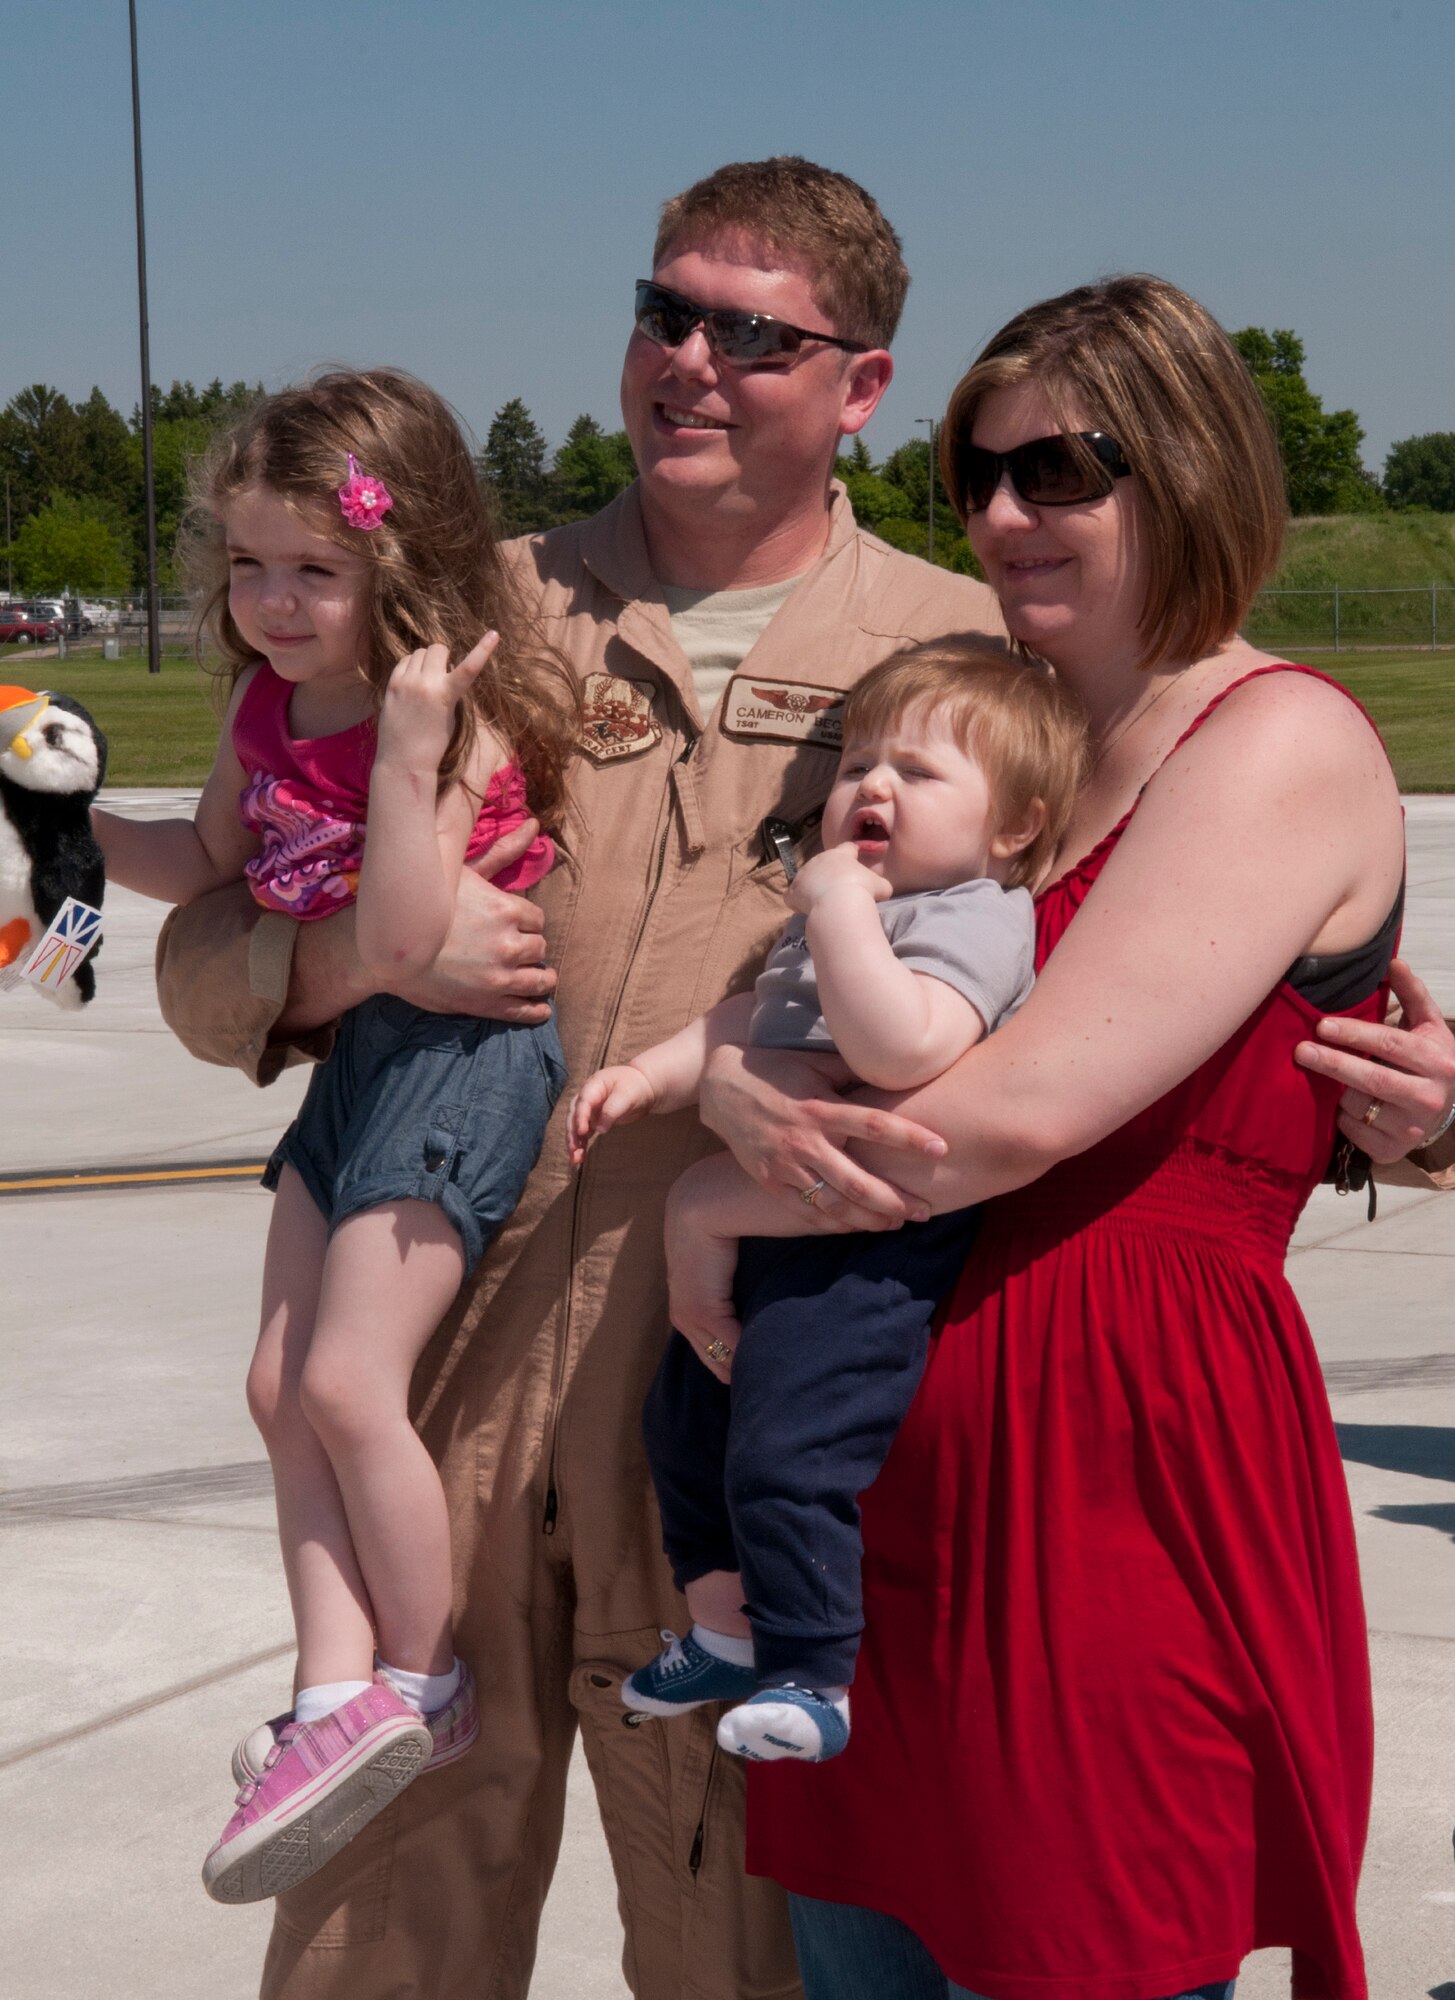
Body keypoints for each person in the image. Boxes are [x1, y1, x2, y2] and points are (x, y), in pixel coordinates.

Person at [153, 159, 1008, 1998]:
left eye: (752, 335)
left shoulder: (955, 659)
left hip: (714, 1386)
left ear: (862, 383)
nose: (688, 360)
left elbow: (1096, 963)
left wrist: (1393, 1097)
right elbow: (209, 937)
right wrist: (354, 957)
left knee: (733, 1924)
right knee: (383, 1916)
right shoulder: (461, 617)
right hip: (443, 1358)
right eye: (663, 312)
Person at [665, 274, 1455, 2000]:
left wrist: (711, 1189)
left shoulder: (1277, 743)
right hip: (877, 1485)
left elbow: (987, 1128)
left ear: (1183, 471)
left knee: (1085, 1945)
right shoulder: (979, 744)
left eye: (1062, 470)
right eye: (978, 471)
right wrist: (729, 1079)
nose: (1004, 514)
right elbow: (788, 1003)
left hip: (1109, 1495)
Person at [92, 370, 575, 1905]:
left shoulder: (448, 711)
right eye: (247, 567)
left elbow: (414, 932)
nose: (275, 603)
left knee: (351, 1380)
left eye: (314, 569)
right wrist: (63, 828)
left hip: (465, 1059)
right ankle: (327, 1692)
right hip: (358, 1054)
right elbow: (213, 865)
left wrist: (414, 758)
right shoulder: (261, 706)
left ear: (397, 562)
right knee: (272, 1383)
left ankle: (419, 1691)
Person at [567, 644, 1085, 1764]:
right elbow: (749, 1014)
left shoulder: (975, 916)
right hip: (768, 1231)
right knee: (684, 1426)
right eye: (856, 763)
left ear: (1015, 827)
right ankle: (723, 1627)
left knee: (791, 1451)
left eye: (920, 770)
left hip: (859, 1254)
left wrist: (840, 907)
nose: (873, 787)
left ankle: (813, 1667)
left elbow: (901, 1045)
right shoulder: (841, 915)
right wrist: (648, 1076)